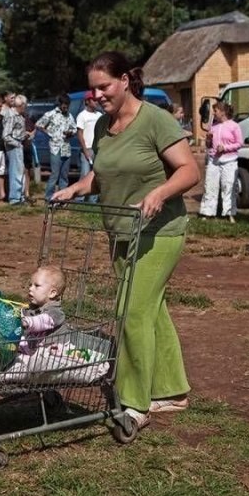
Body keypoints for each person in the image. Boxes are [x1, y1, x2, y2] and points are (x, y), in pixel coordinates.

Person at [53, 51, 201, 430]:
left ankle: (135, 403)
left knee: (132, 311)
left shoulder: (156, 120)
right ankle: (171, 390)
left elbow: (189, 170)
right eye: (93, 90)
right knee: (152, 310)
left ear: (123, 81)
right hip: (120, 230)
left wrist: (159, 194)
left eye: (104, 87)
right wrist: (76, 188)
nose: (98, 95)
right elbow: (104, 175)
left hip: (158, 232)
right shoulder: (103, 127)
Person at [199, 101, 242, 223]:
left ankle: (229, 213)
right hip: (214, 160)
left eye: (216, 111)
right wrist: (208, 140)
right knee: (210, 186)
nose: (214, 113)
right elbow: (209, 145)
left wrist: (225, 148)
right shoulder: (213, 126)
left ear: (223, 112)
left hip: (229, 161)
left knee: (228, 186)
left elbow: (239, 143)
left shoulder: (234, 126)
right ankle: (207, 213)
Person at [19, 265, 66, 354]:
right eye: (30, 285)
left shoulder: (55, 313)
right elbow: (21, 315)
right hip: (35, 349)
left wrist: (26, 322)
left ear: (52, 293)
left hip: (53, 353)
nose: (30, 288)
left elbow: (42, 321)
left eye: (37, 285)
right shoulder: (30, 308)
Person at [38, 94, 77, 201]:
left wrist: (71, 133)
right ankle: (49, 197)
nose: (66, 108)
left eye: (67, 105)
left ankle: (62, 198)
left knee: (64, 175)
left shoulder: (69, 116)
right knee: (55, 174)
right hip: (55, 148)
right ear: (60, 104)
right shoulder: (51, 114)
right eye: (64, 105)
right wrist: (50, 133)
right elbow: (39, 125)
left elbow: (74, 129)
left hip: (66, 148)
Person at [2, 94, 32, 205]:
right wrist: (17, 144)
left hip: (20, 143)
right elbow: (6, 135)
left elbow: (17, 130)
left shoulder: (20, 115)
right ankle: (15, 198)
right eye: (25, 105)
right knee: (16, 172)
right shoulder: (11, 115)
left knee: (21, 171)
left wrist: (25, 135)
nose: (26, 107)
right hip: (14, 146)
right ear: (22, 105)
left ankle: (21, 196)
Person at [76, 91, 102, 203]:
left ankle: (93, 199)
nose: (96, 102)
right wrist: (85, 150)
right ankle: (80, 199)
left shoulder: (100, 115)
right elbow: (80, 134)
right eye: (94, 100)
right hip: (87, 149)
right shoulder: (82, 116)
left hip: (98, 148)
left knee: (96, 174)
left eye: (97, 99)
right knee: (85, 174)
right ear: (87, 101)